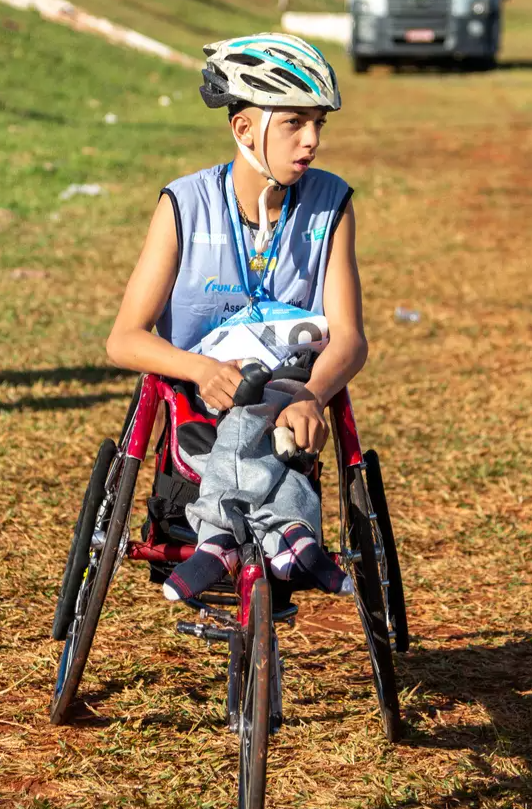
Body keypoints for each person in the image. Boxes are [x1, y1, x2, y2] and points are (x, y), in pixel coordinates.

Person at [106, 33, 367, 601]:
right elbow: (124, 339)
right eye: (295, 122)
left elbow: (349, 338)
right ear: (245, 129)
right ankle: (289, 538)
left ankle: (221, 540)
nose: (313, 140)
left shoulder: (332, 205)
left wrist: (313, 396)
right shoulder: (183, 204)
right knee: (250, 416)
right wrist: (199, 370)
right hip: (201, 392)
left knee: (272, 410)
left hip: (290, 389)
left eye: (319, 123)